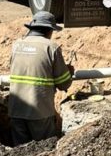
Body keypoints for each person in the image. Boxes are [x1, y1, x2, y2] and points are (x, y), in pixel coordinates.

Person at [8, 11, 74, 146]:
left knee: (19, 153)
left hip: (15, 110)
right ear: (49, 30)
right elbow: (63, 84)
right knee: (44, 150)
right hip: (39, 112)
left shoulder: (16, 45)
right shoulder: (51, 47)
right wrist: (69, 72)